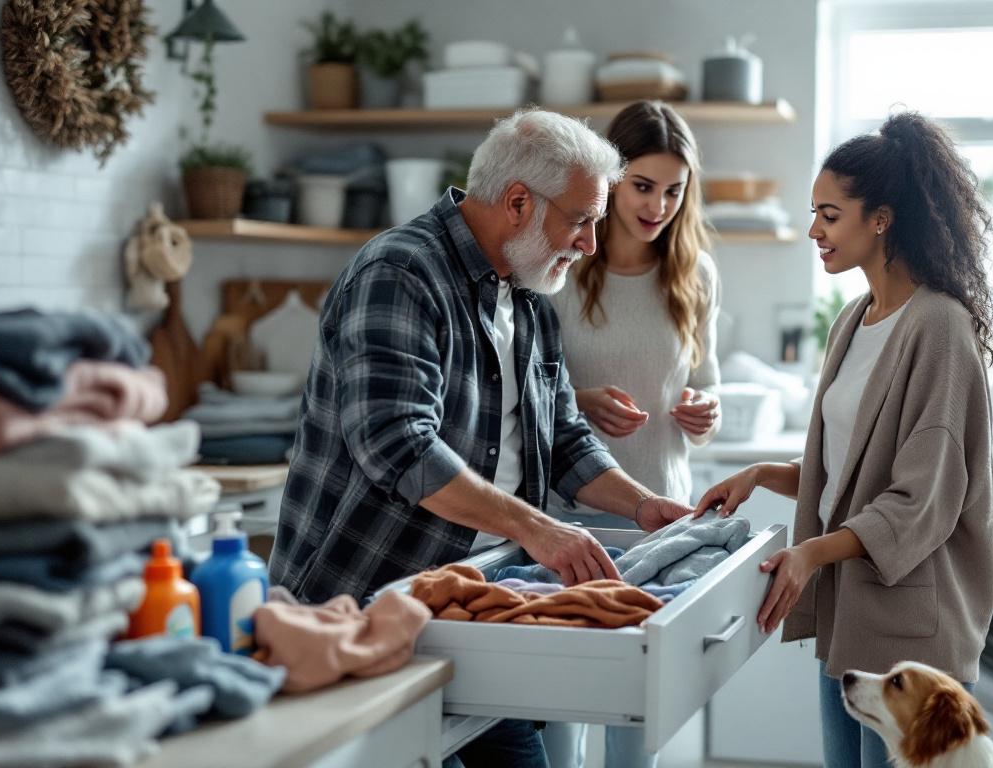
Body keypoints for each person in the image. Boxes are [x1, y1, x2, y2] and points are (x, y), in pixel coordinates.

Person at [270, 109, 695, 768]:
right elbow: (398, 445)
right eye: (581, 220)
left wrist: (644, 508)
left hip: (472, 607)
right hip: (359, 606)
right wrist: (540, 530)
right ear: (519, 202)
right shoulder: (401, 272)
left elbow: (563, 437)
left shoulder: (528, 298)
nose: (588, 244)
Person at [694, 111, 993, 768]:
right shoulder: (854, 321)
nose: (814, 231)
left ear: (881, 218)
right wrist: (763, 474)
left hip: (914, 640)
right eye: (813, 213)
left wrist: (809, 555)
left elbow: (919, 500)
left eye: (829, 215)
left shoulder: (940, 329)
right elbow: (851, 468)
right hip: (854, 616)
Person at [540, 101, 721, 768]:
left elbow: (708, 381)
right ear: (611, 179)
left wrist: (705, 410)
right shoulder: (559, 270)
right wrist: (580, 403)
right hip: (568, 520)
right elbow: (532, 393)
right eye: (643, 186)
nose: (659, 206)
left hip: (660, 514)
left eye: (674, 190)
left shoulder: (694, 276)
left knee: (635, 717)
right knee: (561, 708)